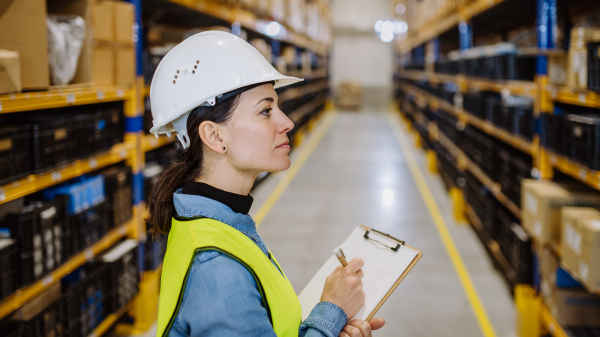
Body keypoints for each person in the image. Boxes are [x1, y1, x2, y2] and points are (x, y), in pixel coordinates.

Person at [147, 31, 385, 337]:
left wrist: (323, 328)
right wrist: (331, 311)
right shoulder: (215, 267)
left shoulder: (221, 223)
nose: (287, 122)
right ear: (215, 136)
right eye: (266, 110)